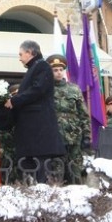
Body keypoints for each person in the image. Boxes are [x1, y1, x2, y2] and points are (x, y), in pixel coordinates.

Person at [4, 40, 66, 183]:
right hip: (33, 126)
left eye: (21, 54)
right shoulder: (34, 68)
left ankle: (42, 191)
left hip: (39, 125)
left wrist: (14, 101)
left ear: (30, 52)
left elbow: (37, 90)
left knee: (41, 163)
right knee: (31, 162)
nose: (19, 58)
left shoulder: (42, 66)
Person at [46, 54, 91, 185]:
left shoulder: (74, 89)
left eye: (61, 70)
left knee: (75, 171)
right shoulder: (46, 90)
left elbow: (83, 114)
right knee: (56, 172)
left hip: (74, 136)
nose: (59, 73)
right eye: (55, 70)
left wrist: (87, 135)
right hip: (54, 137)